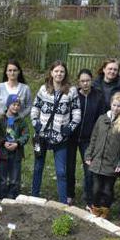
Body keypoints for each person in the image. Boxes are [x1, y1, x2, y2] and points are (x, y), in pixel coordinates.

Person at [31, 60, 81, 204]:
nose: (59, 74)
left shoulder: (71, 91)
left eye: (62, 71)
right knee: (38, 167)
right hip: (42, 136)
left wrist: (69, 128)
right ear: (51, 73)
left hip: (61, 137)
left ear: (65, 74)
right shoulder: (43, 89)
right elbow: (35, 107)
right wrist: (36, 124)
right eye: (56, 71)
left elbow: (77, 113)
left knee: (61, 172)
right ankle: (34, 196)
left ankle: (63, 202)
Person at [84, 92, 120, 219]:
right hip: (98, 160)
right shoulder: (102, 119)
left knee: (107, 189)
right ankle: (95, 208)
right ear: (110, 104)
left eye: (119, 106)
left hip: (113, 163)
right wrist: (89, 154)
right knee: (96, 188)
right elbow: (94, 137)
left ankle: (105, 210)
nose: (116, 108)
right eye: (114, 105)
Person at [66, 69, 106, 208]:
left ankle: (89, 198)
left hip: (88, 139)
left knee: (88, 169)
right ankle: (69, 194)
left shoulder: (98, 96)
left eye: (87, 80)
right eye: (82, 81)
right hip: (71, 137)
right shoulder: (73, 95)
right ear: (78, 82)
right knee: (69, 167)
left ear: (91, 80)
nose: (85, 83)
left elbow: (101, 118)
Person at [0, 95, 29, 199]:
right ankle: (1, 195)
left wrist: (18, 143)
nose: (16, 107)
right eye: (13, 104)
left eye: (18, 105)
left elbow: (26, 135)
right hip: (3, 152)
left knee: (15, 177)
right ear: (8, 104)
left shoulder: (21, 120)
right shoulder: (1, 119)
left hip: (16, 153)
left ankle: (12, 195)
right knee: (2, 177)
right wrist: (3, 142)